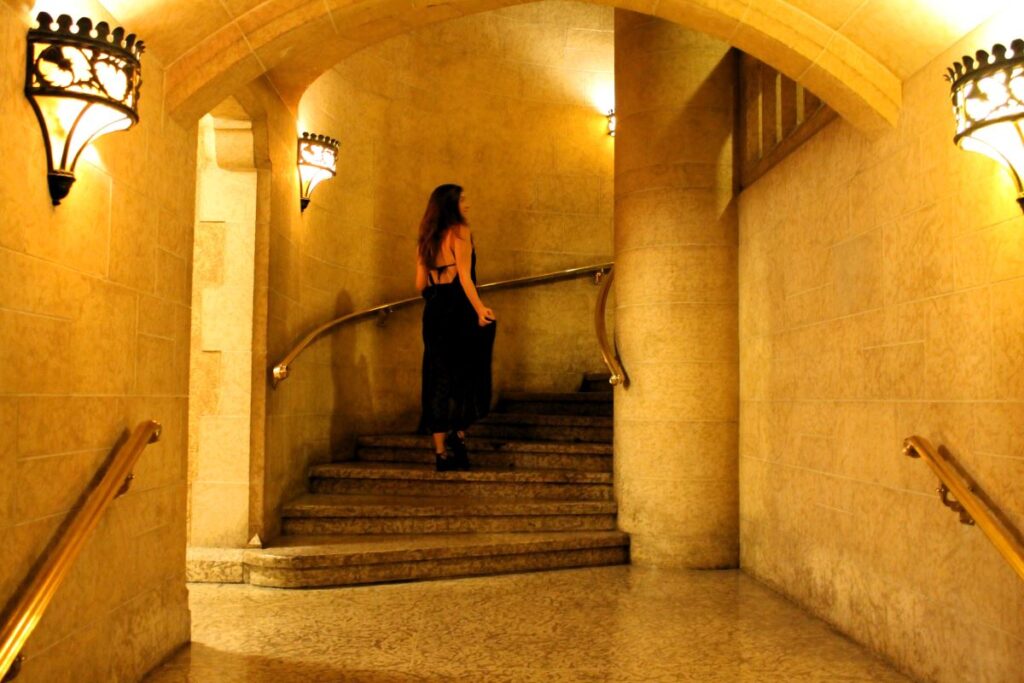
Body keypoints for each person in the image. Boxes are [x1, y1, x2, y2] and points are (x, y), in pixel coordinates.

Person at [416, 184, 497, 472]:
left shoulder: (426, 237)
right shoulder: (459, 232)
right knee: (466, 373)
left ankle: (440, 453)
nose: (467, 204)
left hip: (434, 311)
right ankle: (459, 437)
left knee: (437, 376)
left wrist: (436, 294)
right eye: (463, 199)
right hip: (458, 309)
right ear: (451, 203)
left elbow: (419, 284)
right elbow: (465, 278)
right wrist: (480, 310)